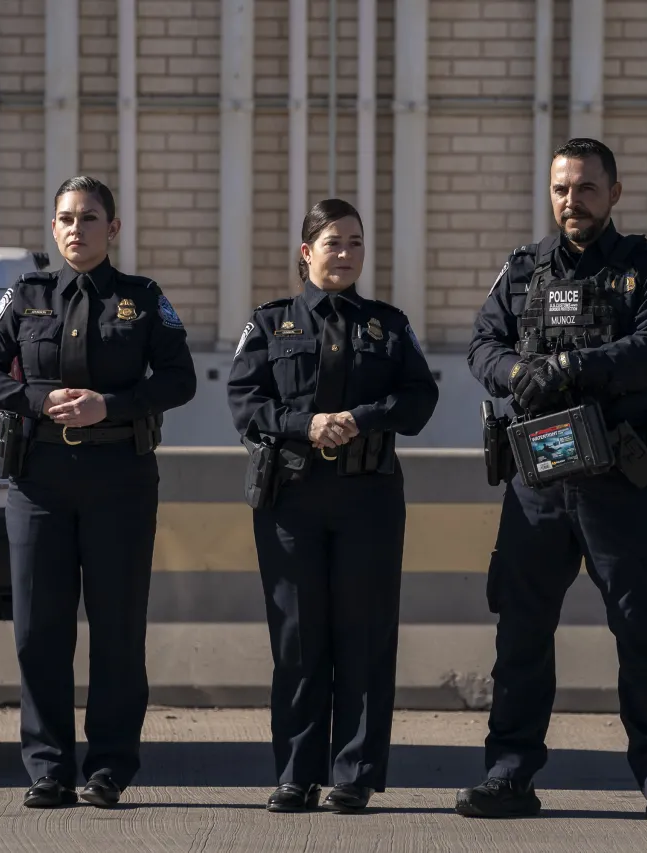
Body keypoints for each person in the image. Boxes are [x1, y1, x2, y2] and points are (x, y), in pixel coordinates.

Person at [456, 138, 647, 826]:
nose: (573, 201)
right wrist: (513, 373)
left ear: (614, 192)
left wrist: (571, 367)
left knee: (644, 626)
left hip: (617, 479)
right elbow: (482, 343)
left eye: (587, 188)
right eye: (562, 189)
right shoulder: (523, 268)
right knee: (522, 631)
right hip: (537, 482)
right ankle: (509, 775)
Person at [0, 175, 197, 809]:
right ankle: (47, 768)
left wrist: (111, 406)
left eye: (90, 218)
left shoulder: (142, 299)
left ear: (113, 229)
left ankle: (109, 769)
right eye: (66, 218)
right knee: (40, 631)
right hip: (38, 482)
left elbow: (180, 379)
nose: (77, 228)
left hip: (119, 480)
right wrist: (39, 399)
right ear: (53, 228)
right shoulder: (26, 295)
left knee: (117, 628)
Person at [226, 198, 439, 814]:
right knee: (298, 640)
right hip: (291, 499)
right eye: (332, 243)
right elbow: (245, 402)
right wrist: (305, 424)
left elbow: (419, 400)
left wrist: (358, 418)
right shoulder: (271, 323)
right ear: (306, 252)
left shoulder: (389, 324)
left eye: (354, 243)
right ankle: (296, 774)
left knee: (365, 639)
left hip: (368, 497)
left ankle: (355, 775)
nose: (344, 254)